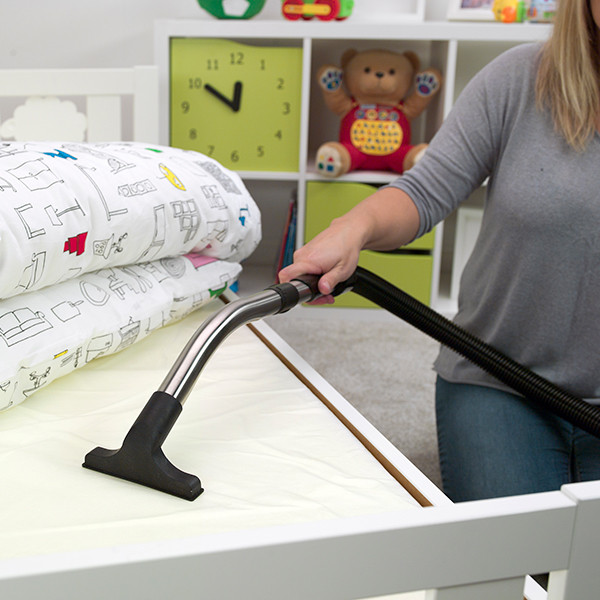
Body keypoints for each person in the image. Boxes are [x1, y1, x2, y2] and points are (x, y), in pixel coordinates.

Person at [279, 0, 600, 502]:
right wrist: (352, 227)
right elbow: (424, 190)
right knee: (519, 549)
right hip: (498, 378)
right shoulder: (519, 77)